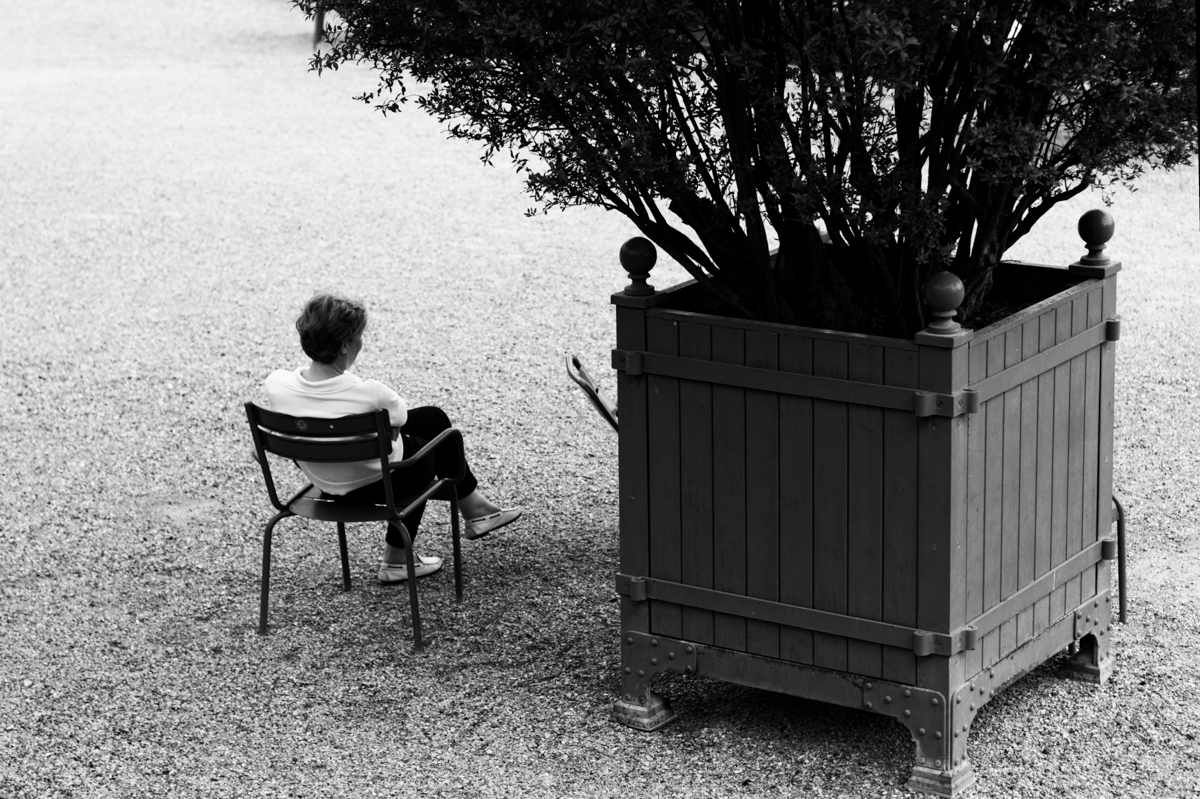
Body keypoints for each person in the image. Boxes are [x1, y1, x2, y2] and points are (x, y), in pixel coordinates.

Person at [263, 292, 522, 584]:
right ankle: (403, 553)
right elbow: (400, 415)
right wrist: (387, 424)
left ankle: (475, 509)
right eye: (359, 336)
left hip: (326, 483)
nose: (362, 342)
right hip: (383, 486)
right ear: (346, 345)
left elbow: (398, 419)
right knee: (441, 440)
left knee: (432, 418)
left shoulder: (277, 384)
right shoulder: (369, 392)